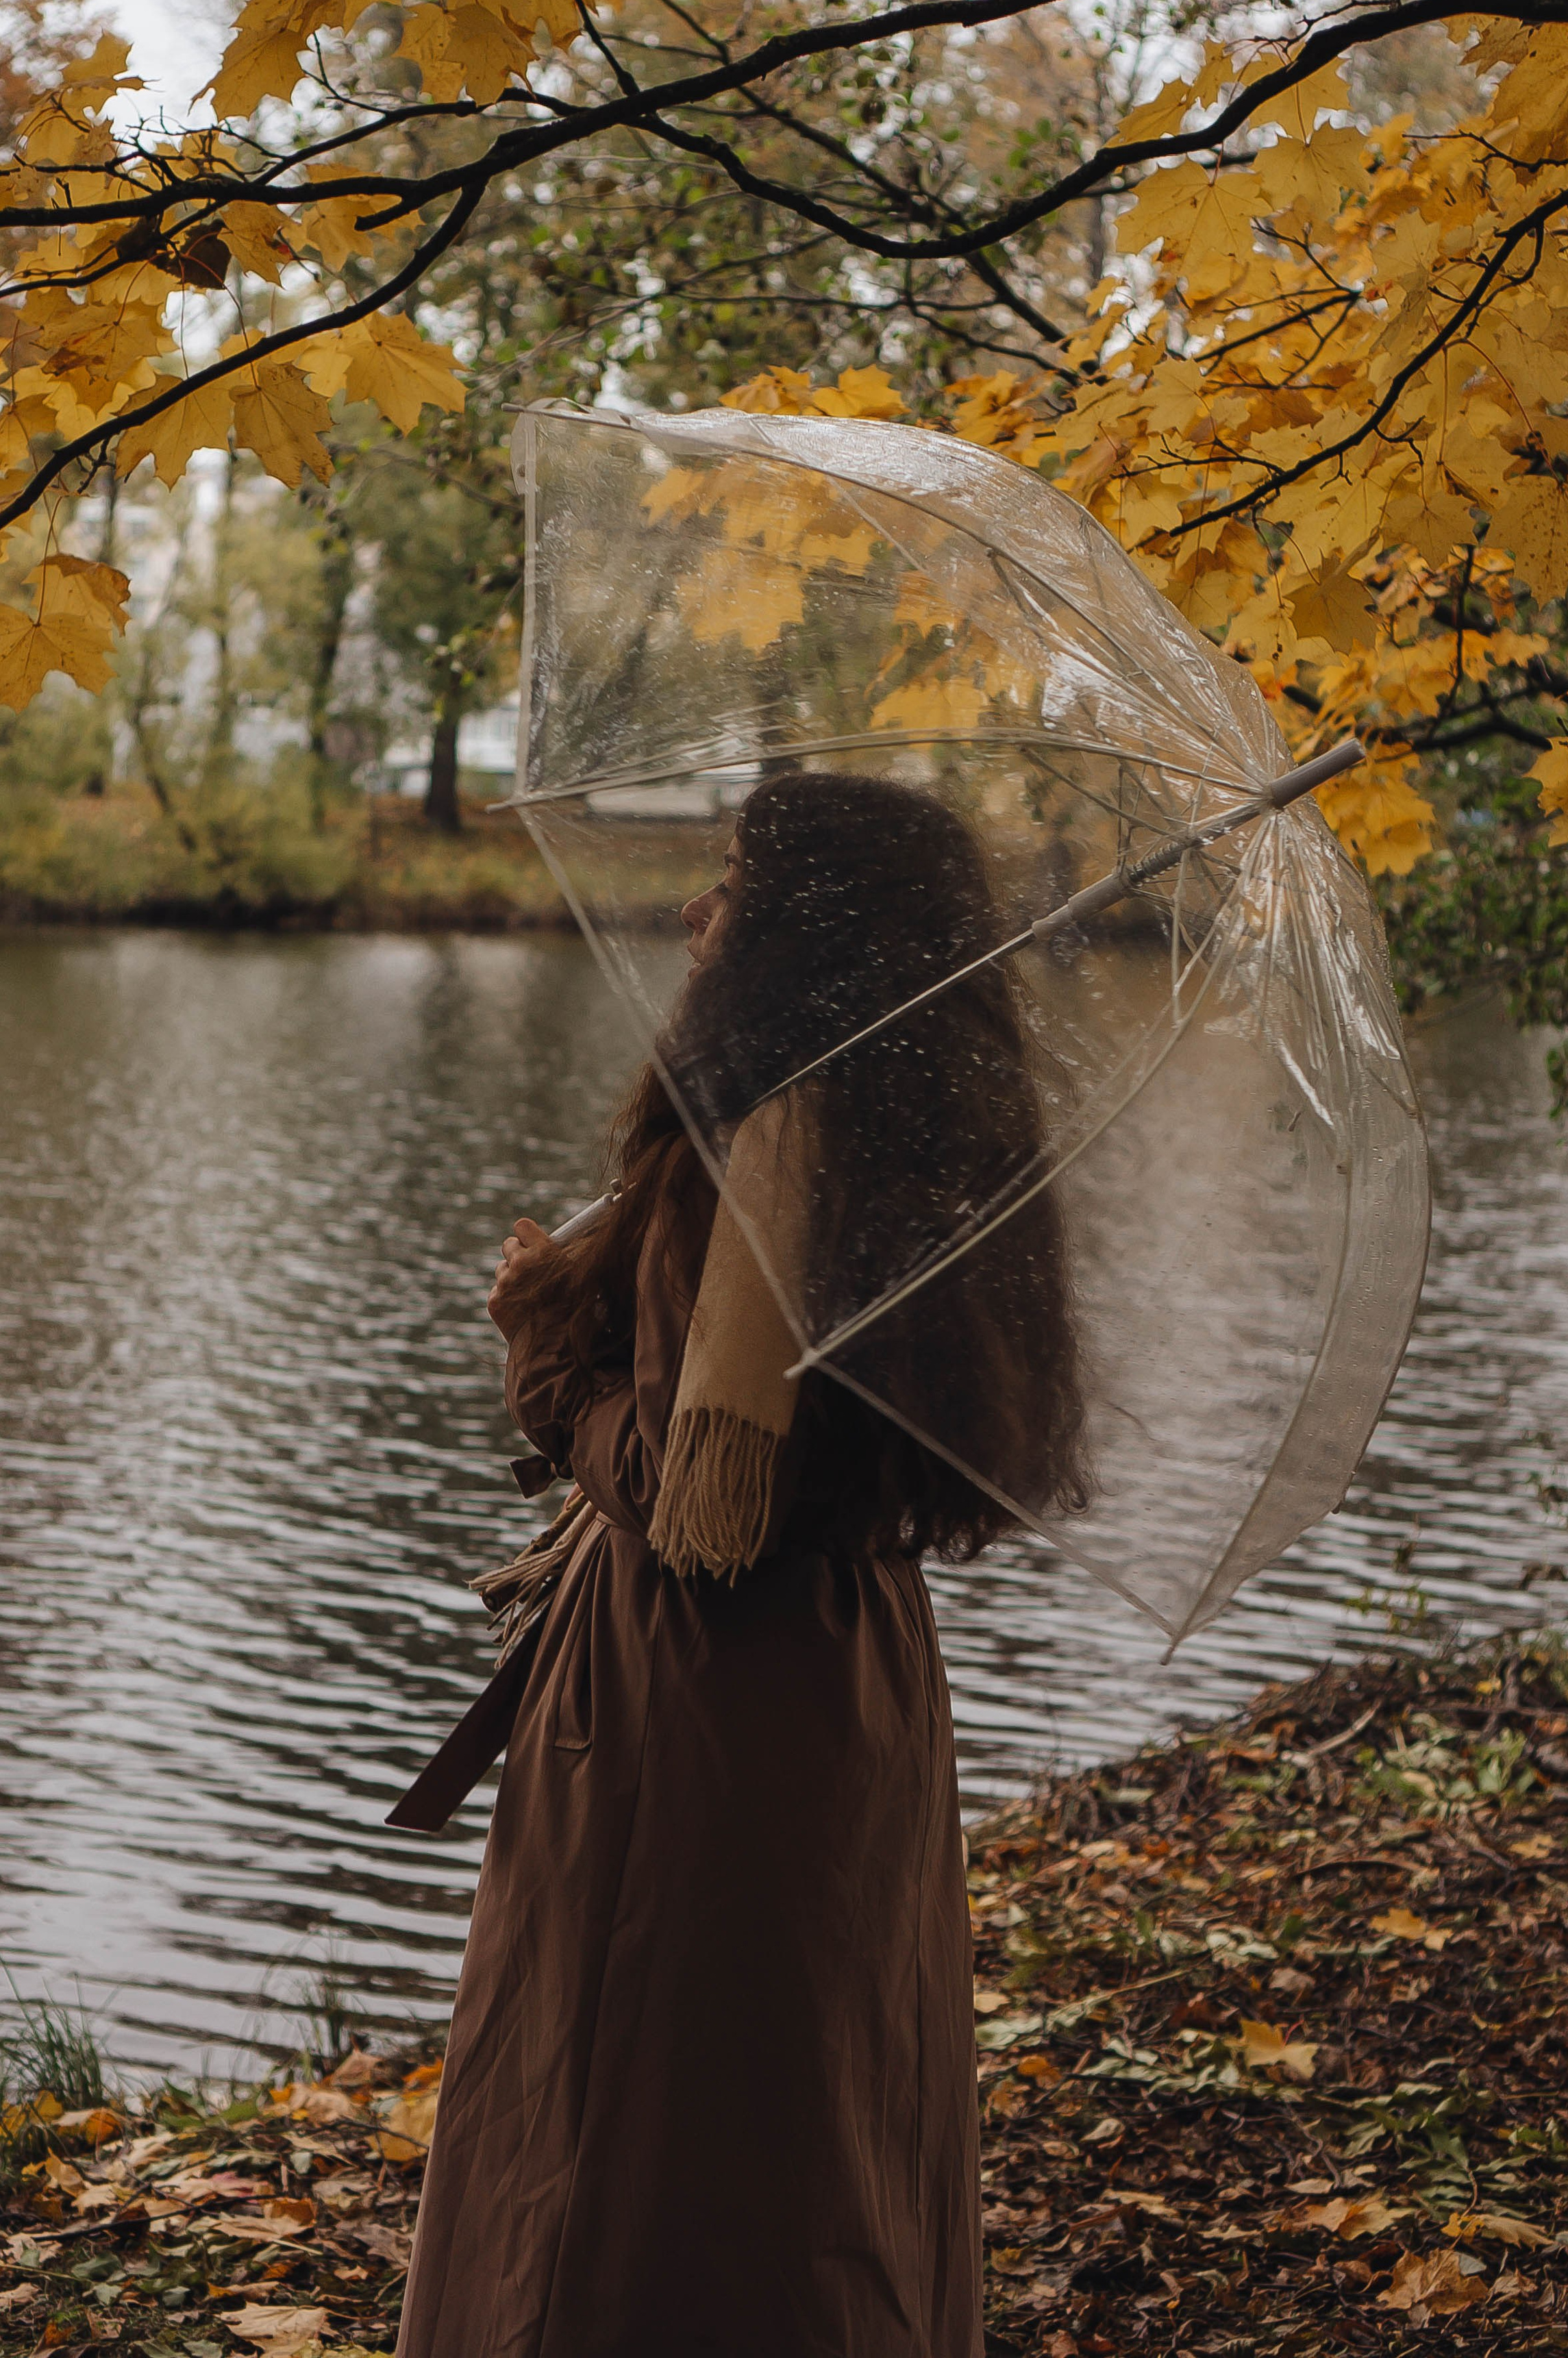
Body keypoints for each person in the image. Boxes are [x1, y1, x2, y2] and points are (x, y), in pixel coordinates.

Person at [395, 771, 1084, 2358]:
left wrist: (542, 1362)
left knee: (649, 2110)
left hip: (698, 1700)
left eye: (733, 882)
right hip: (849, 1671)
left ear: (809, 933)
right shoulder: (922, 1126)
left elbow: (704, 1503)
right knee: (817, 2091)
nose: (699, 914)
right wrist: (598, 1285)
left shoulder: (773, 1130)